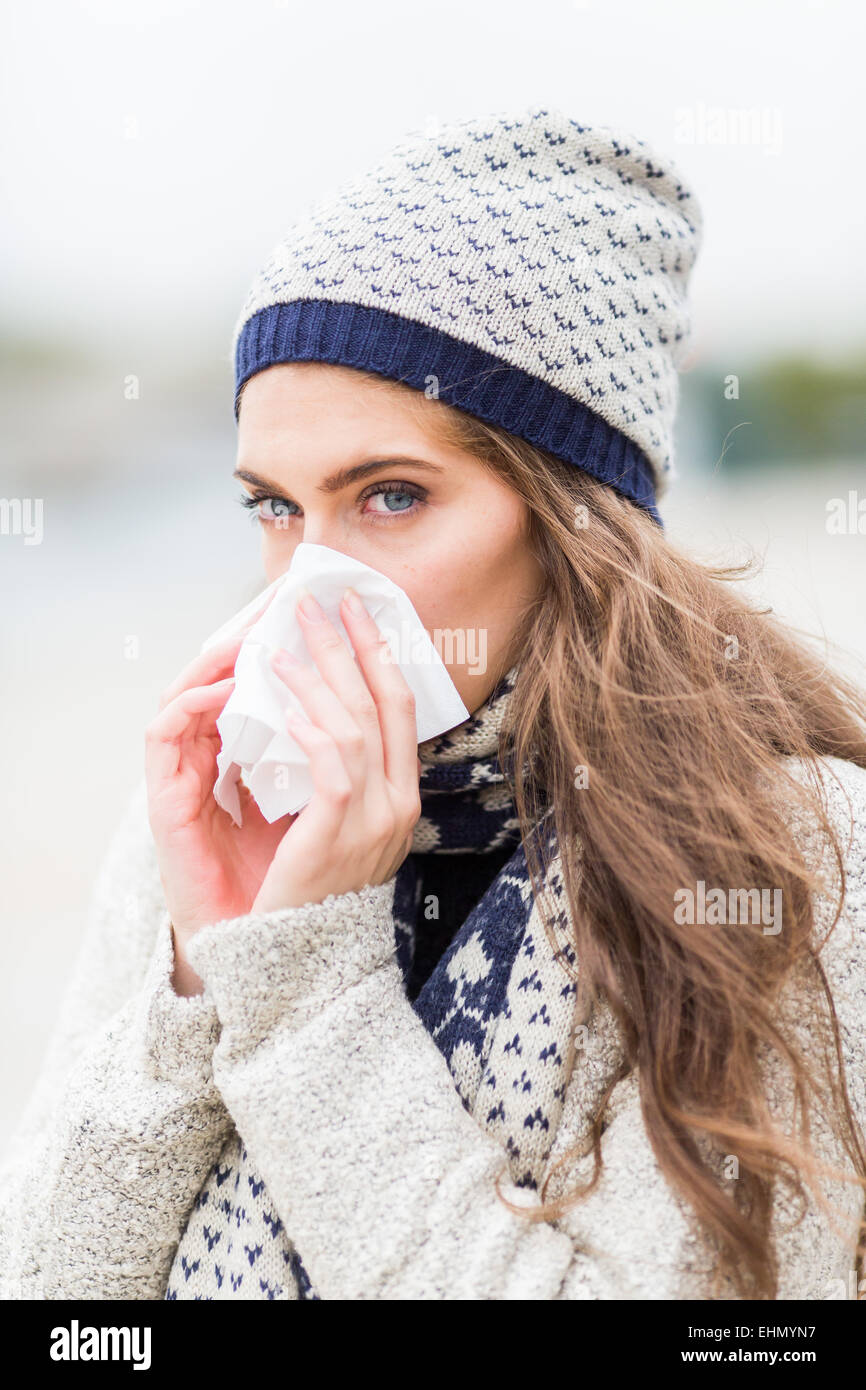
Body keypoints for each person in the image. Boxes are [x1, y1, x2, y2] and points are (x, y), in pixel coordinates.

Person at [2, 106, 865, 1302]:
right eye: (273, 506)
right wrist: (202, 973)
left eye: (391, 496)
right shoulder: (218, 819)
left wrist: (305, 989)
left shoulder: (783, 859)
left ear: (574, 518)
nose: (311, 579)